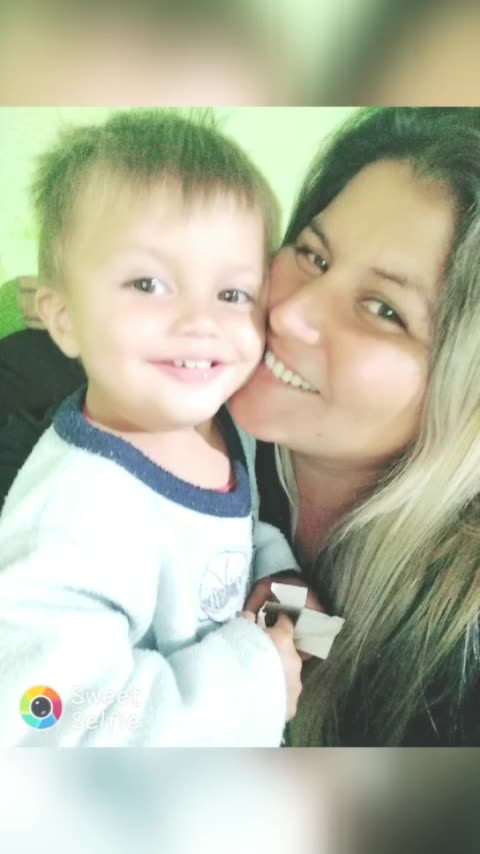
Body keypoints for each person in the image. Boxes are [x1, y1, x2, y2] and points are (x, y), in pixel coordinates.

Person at [0, 108, 304, 746]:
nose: (200, 321)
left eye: (232, 294)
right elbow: (43, 723)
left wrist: (290, 590)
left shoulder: (222, 424)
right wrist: (257, 678)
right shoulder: (72, 517)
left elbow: (228, 545)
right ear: (64, 319)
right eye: (148, 283)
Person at [231, 107, 480, 746]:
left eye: (384, 309)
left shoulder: (456, 664)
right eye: (313, 255)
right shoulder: (171, 419)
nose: (289, 313)